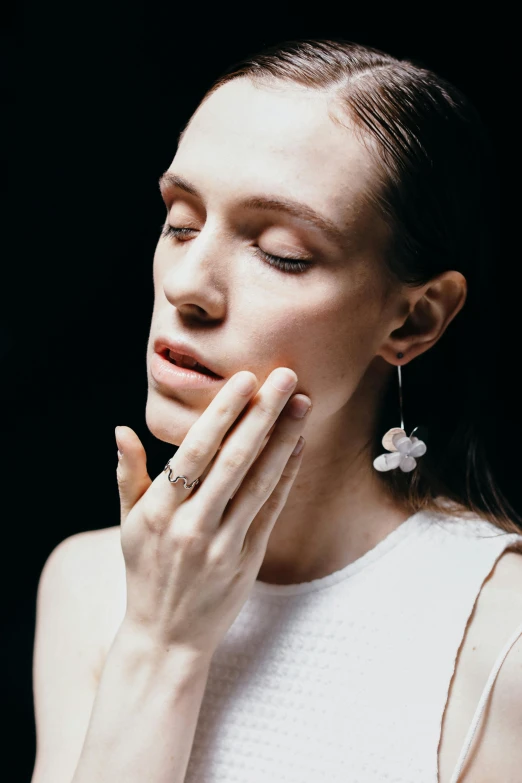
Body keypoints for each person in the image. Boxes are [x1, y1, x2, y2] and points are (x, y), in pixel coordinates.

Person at [31, 39, 522, 783]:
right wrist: (160, 641)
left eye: (282, 252)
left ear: (415, 320)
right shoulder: (90, 582)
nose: (188, 286)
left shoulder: (500, 635)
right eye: (182, 222)